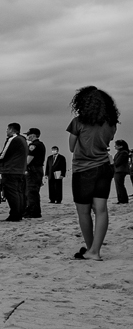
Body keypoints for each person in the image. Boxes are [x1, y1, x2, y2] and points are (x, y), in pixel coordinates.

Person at [67, 86, 119, 260]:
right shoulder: (111, 122)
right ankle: (95, 250)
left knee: (84, 211)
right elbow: (109, 139)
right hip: (104, 166)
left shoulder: (78, 121)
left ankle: (91, 249)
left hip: (83, 169)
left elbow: (71, 147)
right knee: (101, 209)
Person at [0, 123, 28, 222]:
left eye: (7, 129)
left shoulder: (13, 139)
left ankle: (14, 215)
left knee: (11, 193)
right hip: (20, 170)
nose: (6, 131)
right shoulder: (23, 139)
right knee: (19, 192)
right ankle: (19, 214)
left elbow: (4, 154)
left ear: (12, 130)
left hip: (11, 170)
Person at [24, 128, 46, 217]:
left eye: (28, 135)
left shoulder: (33, 145)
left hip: (33, 170)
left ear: (33, 135)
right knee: (33, 191)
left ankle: (34, 212)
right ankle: (32, 210)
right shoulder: (40, 144)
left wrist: (22, 167)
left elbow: (28, 160)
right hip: (38, 169)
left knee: (31, 191)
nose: (27, 136)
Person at [112, 139, 130, 204]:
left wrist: (111, 161)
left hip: (120, 171)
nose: (115, 146)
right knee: (119, 185)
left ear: (121, 146)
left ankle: (123, 200)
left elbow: (117, 162)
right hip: (119, 170)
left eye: (116, 145)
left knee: (119, 185)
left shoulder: (123, 153)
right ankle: (121, 199)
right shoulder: (121, 152)